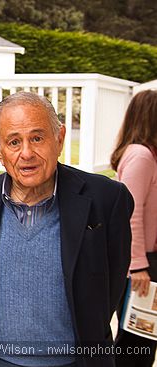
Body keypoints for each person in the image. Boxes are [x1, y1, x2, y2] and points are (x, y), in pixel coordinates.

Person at [0, 91, 134, 367]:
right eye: (14, 142)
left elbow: (112, 284)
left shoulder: (106, 199)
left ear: (59, 138)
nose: (26, 153)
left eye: (37, 138)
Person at [111, 89, 157, 367]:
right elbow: (131, 212)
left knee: (143, 341)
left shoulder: (144, 154)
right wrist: (138, 265)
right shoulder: (141, 156)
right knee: (137, 344)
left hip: (145, 262)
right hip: (142, 266)